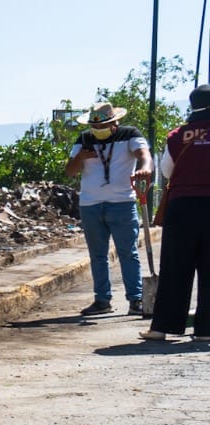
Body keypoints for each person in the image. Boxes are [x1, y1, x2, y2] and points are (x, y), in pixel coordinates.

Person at [63, 101, 152, 315]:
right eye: (96, 127)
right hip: (90, 204)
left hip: (122, 202)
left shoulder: (129, 134)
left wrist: (145, 169)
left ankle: (136, 299)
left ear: (114, 122)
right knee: (97, 255)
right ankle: (102, 300)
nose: (99, 131)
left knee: (127, 252)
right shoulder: (84, 139)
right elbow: (69, 172)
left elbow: (143, 155)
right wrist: (80, 157)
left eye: (103, 126)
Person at [141, 84, 210, 340]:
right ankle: (206, 331)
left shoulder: (177, 135)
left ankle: (162, 327)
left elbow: (168, 171)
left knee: (175, 267)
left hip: (183, 207)